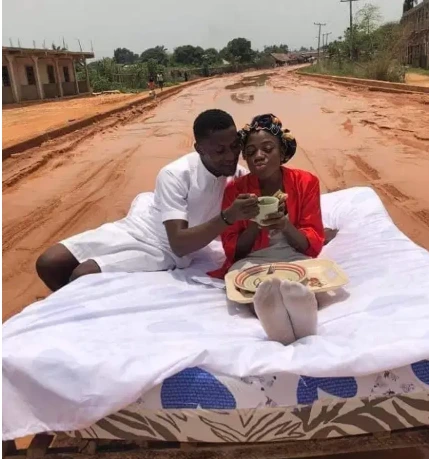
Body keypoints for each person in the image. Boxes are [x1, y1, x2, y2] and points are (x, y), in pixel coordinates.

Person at [36, 110, 259, 291]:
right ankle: (68, 306)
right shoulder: (176, 174)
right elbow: (180, 243)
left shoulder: (238, 177)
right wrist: (228, 216)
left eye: (234, 146)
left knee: (82, 275)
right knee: (49, 263)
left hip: (162, 251)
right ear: (199, 149)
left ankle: (74, 313)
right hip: (150, 232)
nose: (230, 156)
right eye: (219, 151)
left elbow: (178, 251)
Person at [211, 114, 324, 345]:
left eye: (267, 148)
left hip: (295, 257)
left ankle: (302, 318)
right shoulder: (236, 190)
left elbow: (311, 244)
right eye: (250, 152)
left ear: (282, 153)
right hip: (253, 260)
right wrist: (253, 222)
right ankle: (276, 321)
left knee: (312, 280)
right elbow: (234, 252)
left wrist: (285, 225)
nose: (258, 156)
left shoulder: (306, 182)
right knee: (246, 286)